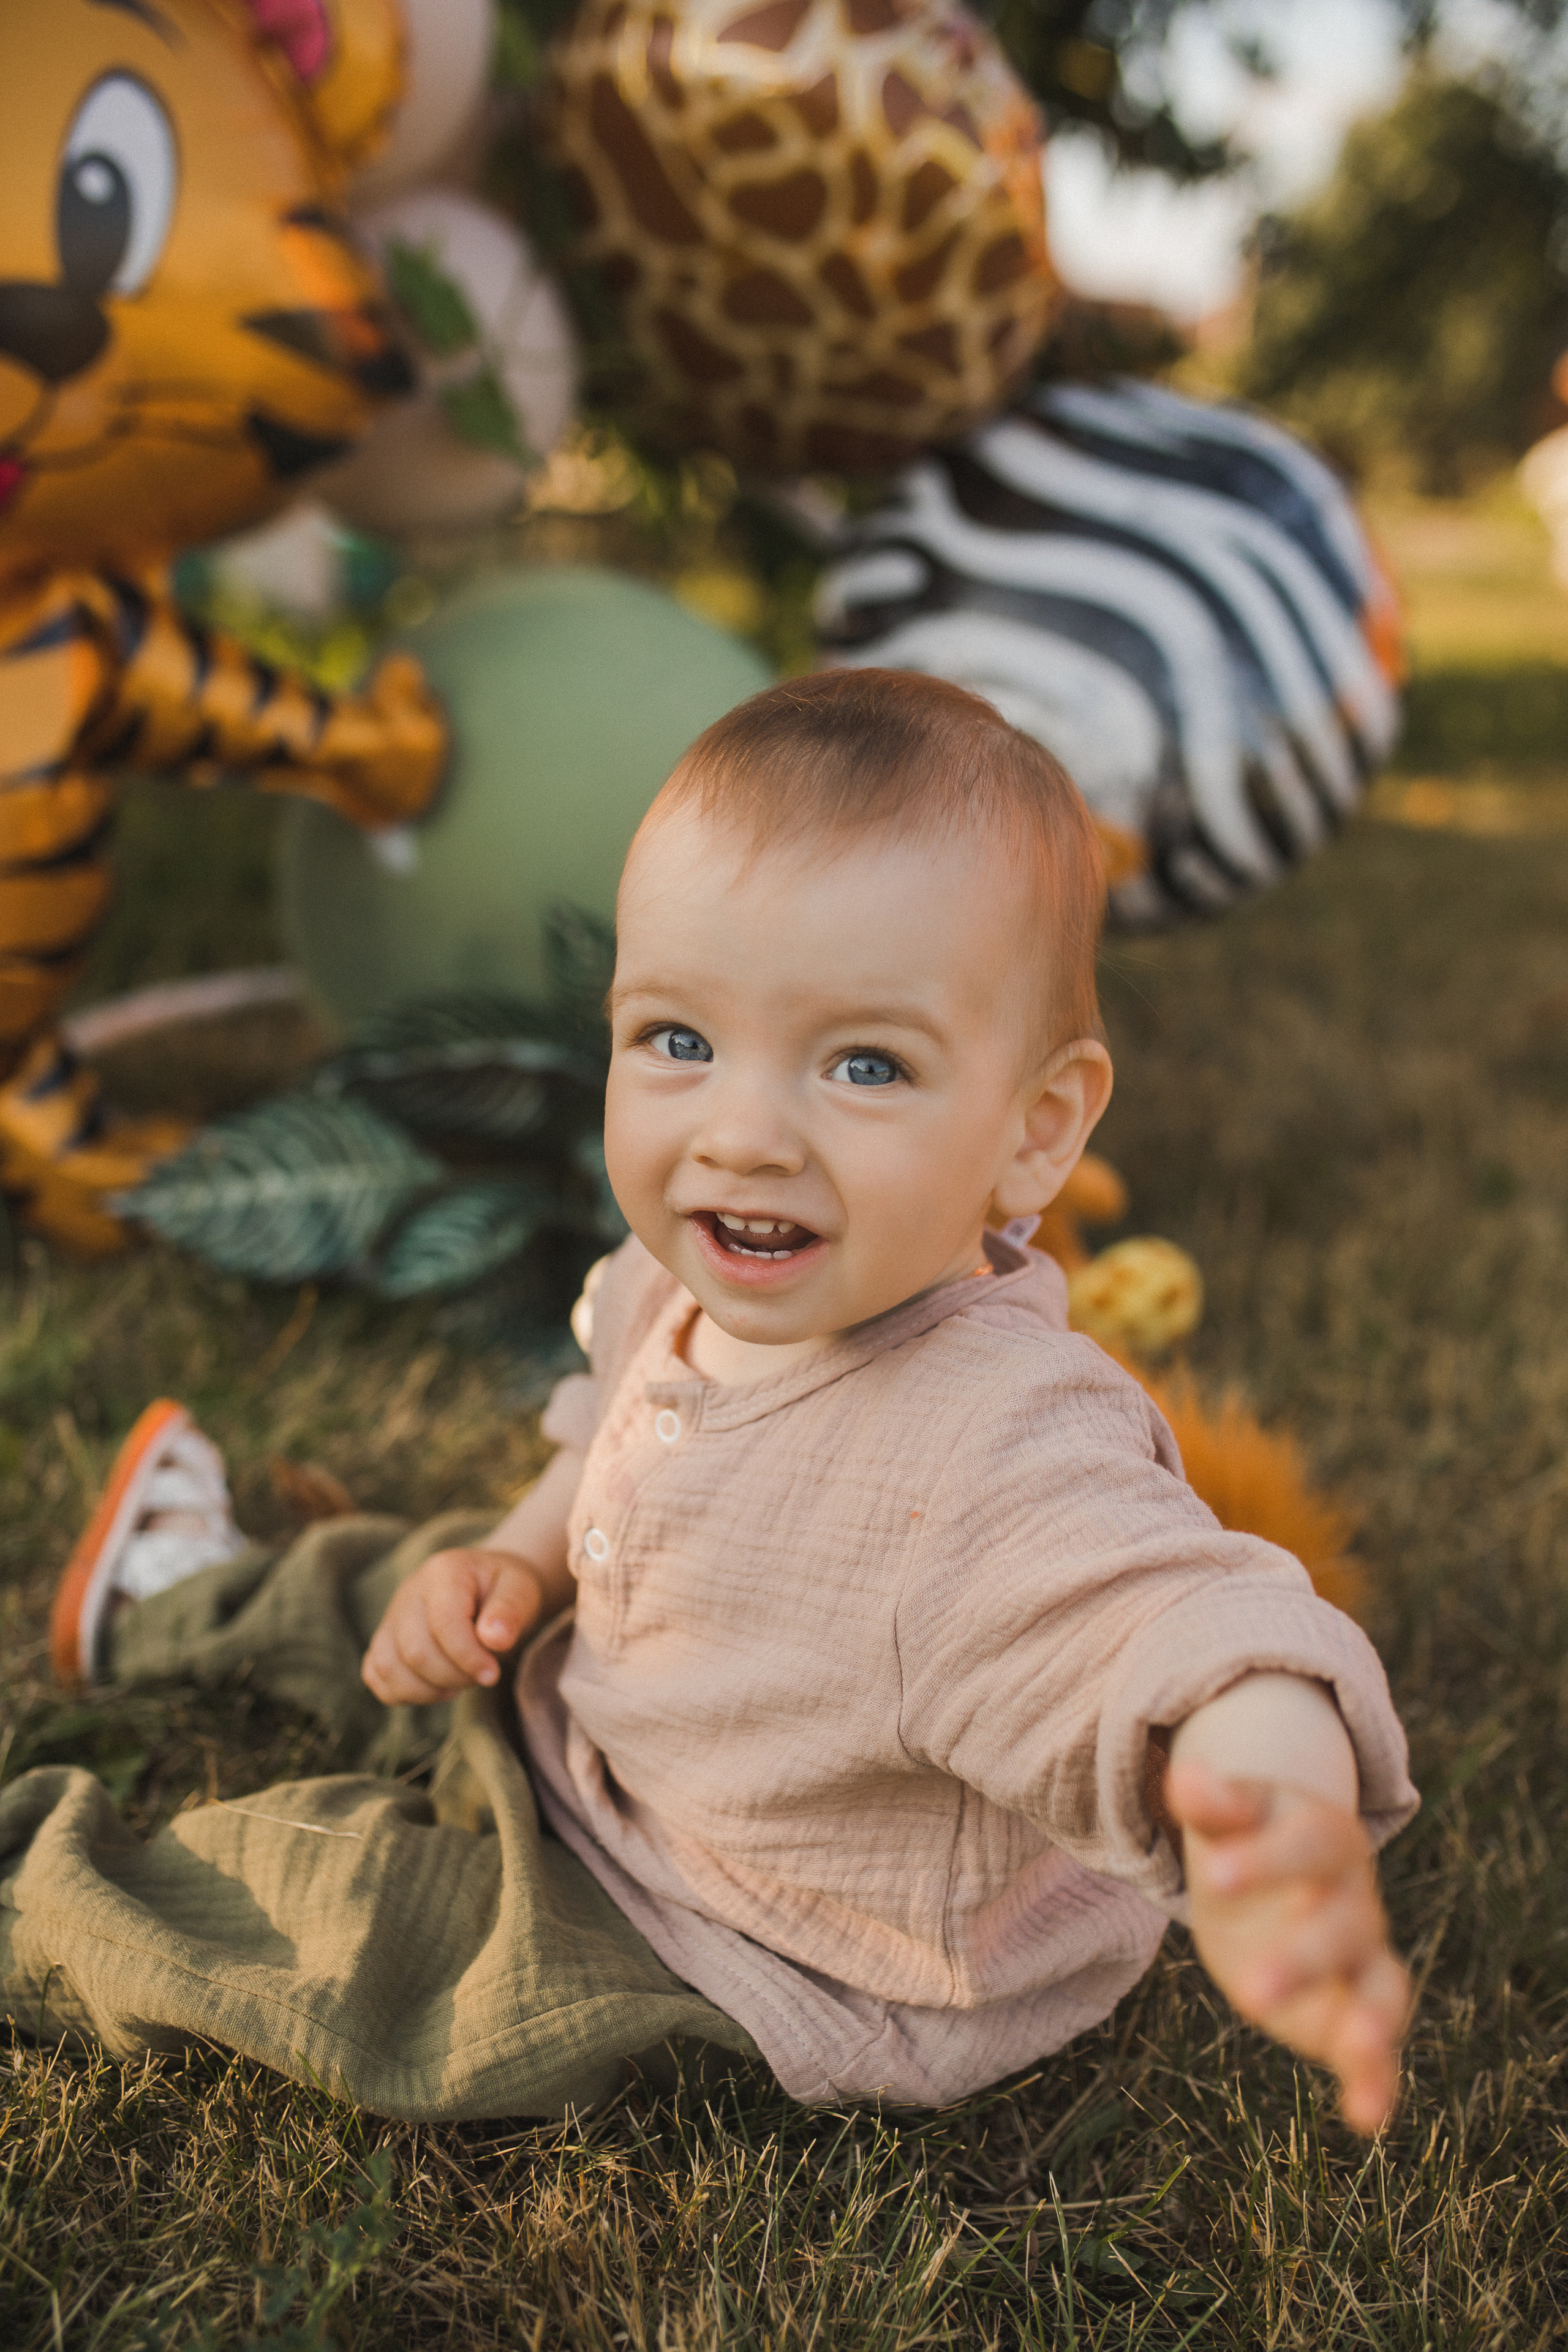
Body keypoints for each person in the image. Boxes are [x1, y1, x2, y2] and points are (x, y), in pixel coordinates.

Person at [17, 671, 1417, 2128]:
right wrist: (515, 1554)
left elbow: (1178, 1625)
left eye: (864, 1063)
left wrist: (1269, 1792)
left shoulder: (999, 1449)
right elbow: (614, 1435)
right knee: (417, 1570)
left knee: (347, 1913)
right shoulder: (686, 1273)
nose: (741, 1135)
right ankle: (179, 1596)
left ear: (1034, 1130)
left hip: (746, 1937)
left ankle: (45, 1888)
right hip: (616, 1727)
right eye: (677, 1041)